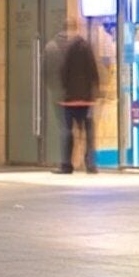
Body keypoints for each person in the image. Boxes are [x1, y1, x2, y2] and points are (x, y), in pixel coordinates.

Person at [52, 29, 102, 173]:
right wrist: (95, 93)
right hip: (86, 100)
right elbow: (94, 72)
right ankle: (90, 164)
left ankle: (67, 165)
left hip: (70, 101)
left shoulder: (68, 51)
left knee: (67, 132)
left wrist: (64, 89)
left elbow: (63, 72)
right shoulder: (87, 49)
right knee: (89, 133)